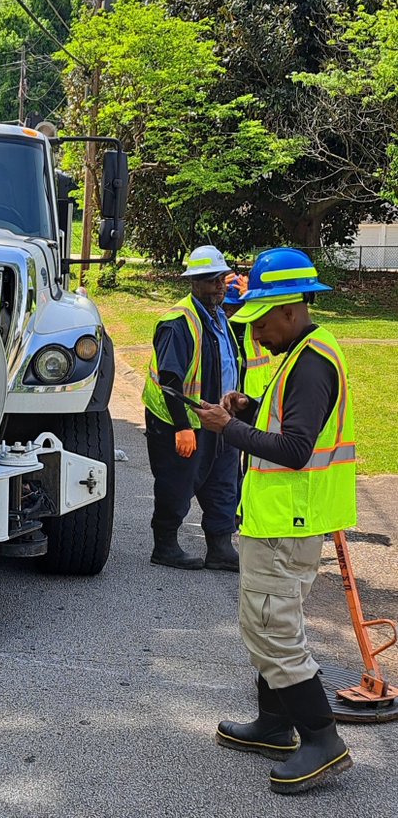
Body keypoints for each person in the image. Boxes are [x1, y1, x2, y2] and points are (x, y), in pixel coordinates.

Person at [197, 248, 355, 795]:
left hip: (289, 522)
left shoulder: (311, 362)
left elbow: (293, 448)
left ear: (289, 311)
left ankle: (322, 739)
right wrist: (249, 404)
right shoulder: (301, 353)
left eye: (261, 322)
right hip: (278, 518)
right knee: (261, 624)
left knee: (273, 630)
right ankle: (275, 724)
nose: (256, 335)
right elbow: (286, 418)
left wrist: (225, 426)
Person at [142, 244, 243, 571]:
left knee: (223, 482)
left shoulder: (219, 318)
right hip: (180, 422)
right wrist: (182, 427)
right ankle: (166, 546)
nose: (219, 285)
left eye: (221, 279)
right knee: (177, 482)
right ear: (194, 282)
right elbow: (170, 381)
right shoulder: (178, 322)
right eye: (212, 280)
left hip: (218, 421)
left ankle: (220, 547)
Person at [224, 273, 274, 398]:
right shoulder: (216, 321)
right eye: (226, 306)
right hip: (226, 392)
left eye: (235, 307)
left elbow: (272, 313)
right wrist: (214, 290)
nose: (229, 311)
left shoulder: (256, 321)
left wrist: (255, 298)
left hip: (254, 392)